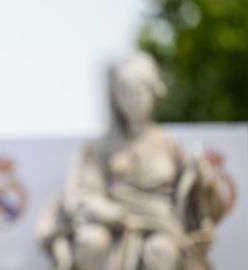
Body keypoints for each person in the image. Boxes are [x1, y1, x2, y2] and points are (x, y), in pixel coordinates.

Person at [36, 52, 232, 270]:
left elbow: (196, 199)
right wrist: (103, 209)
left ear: (154, 93)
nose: (133, 98)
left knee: (161, 251)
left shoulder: (170, 145)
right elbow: (84, 193)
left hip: (159, 223)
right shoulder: (99, 148)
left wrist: (203, 182)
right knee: (90, 242)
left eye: (139, 90)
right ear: (115, 98)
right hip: (113, 222)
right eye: (125, 92)